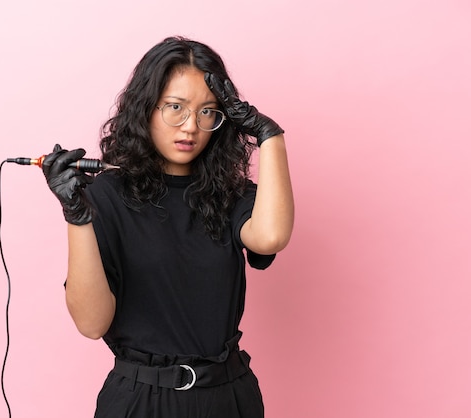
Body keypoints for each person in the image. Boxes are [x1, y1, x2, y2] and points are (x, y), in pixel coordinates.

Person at [41, 36, 294, 418]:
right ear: (146, 108)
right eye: (175, 108)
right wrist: (77, 215)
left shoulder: (230, 193)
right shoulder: (107, 194)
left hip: (228, 397)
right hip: (141, 399)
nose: (191, 126)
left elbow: (271, 236)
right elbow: (92, 324)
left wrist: (269, 134)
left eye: (208, 111)